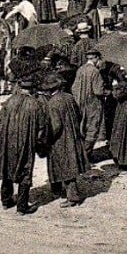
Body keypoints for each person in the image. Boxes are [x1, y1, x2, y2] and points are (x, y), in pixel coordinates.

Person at [0, 78, 49, 215]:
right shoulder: (36, 104)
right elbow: (41, 128)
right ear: (33, 89)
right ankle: (22, 207)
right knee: (25, 170)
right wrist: (40, 145)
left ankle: (6, 200)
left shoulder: (10, 101)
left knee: (7, 167)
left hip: (8, 140)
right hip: (25, 142)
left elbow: (1, 119)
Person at [40, 74, 87, 207]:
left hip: (60, 140)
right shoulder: (69, 97)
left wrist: (47, 139)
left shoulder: (53, 103)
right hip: (72, 136)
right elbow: (79, 114)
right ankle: (61, 191)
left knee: (65, 167)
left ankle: (73, 197)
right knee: (69, 164)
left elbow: (56, 126)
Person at [72, 49, 107, 160]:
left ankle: (81, 154)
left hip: (79, 103)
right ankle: (85, 156)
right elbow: (98, 91)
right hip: (92, 105)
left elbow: (74, 88)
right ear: (96, 58)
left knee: (82, 130)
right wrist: (107, 90)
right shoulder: (95, 72)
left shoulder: (80, 69)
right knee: (92, 130)